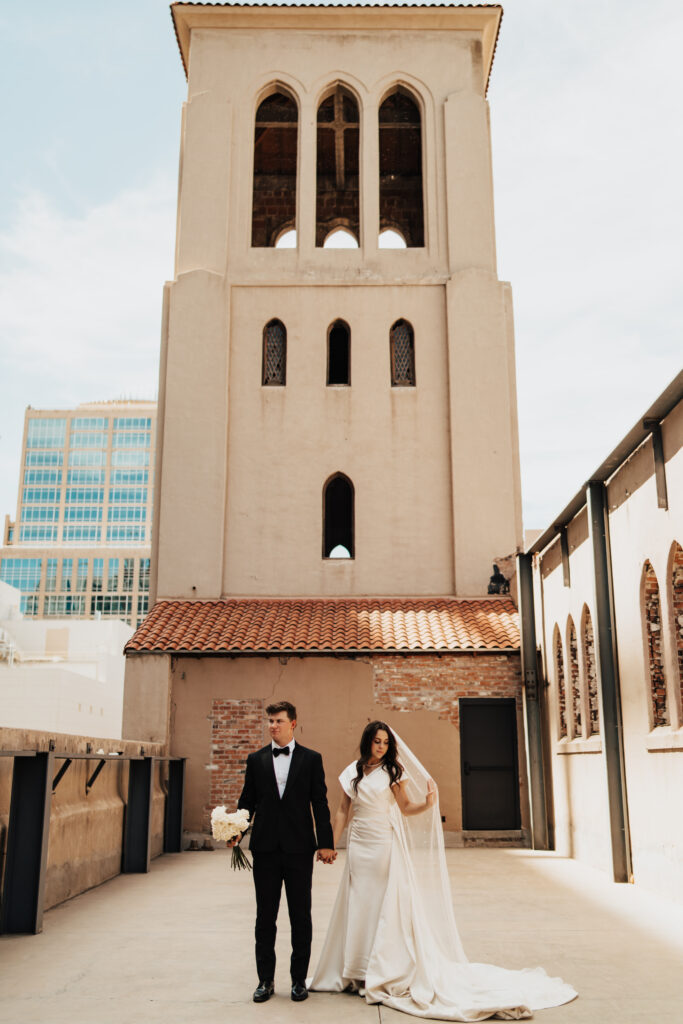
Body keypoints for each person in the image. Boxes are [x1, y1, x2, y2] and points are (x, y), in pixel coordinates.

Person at [310, 721, 577, 1021]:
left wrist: (428, 803)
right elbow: (343, 810)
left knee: (383, 905)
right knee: (357, 903)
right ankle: (355, 970)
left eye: (385, 742)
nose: (382, 746)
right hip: (359, 845)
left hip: (384, 843)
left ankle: (378, 970)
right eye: (377, 741)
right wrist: (331, 844)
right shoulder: (353, 772)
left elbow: (406, 807)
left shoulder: (394, 773)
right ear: (367, 742)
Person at [236, 700, 336, 1004]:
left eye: (278, 721)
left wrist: (326, 842)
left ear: (293, 723)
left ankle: (298, 981)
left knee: (300, 916)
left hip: (298, 849)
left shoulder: (311, 759)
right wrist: (235, 832)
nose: (272, 726)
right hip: (264, 849)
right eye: (270, 721)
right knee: (264, 917)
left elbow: (320, 803)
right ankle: (265, 980)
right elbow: (247, 801)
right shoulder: (256, 760)